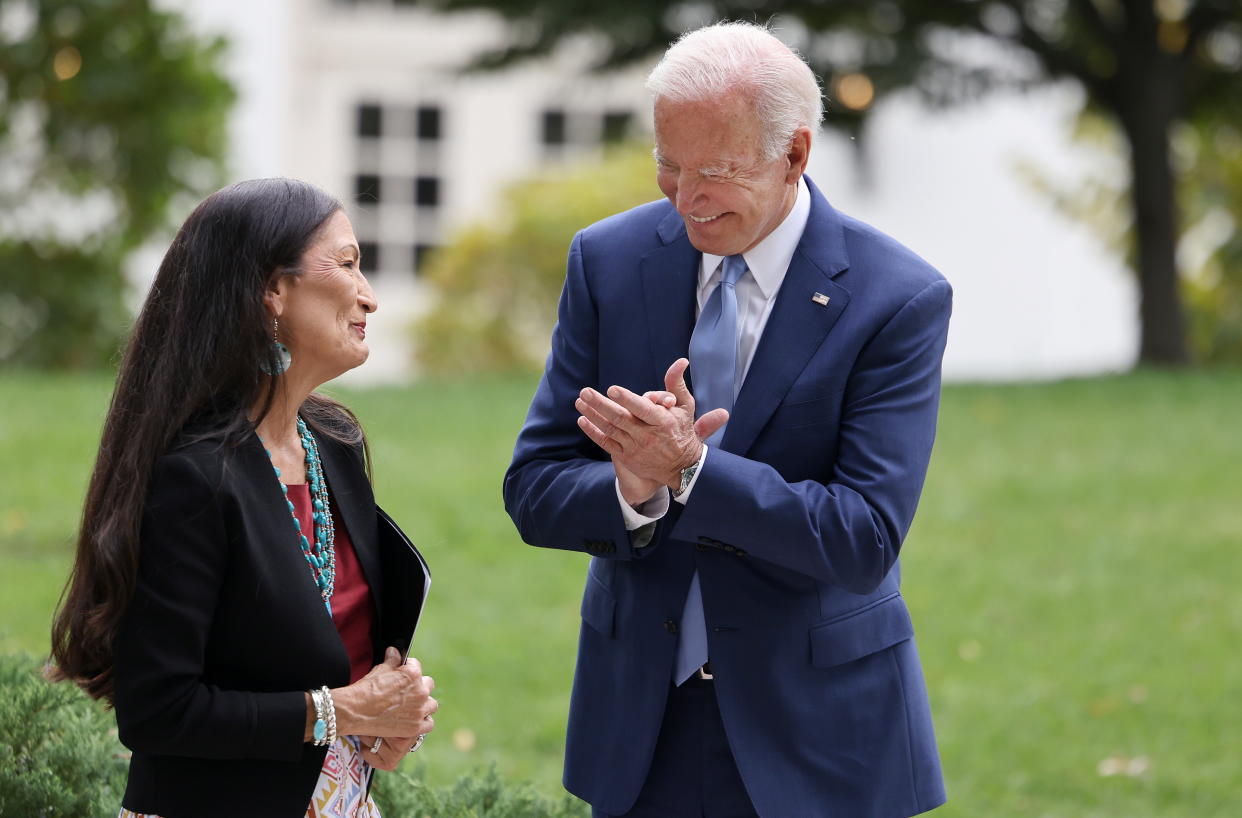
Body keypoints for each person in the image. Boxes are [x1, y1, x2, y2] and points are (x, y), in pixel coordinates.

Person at [504, 22, 950, 818]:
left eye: (714, 172)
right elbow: (534, 486)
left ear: (795, 155)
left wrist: (692, 471)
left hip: (820, 735)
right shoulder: (607, 262)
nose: (686, 200)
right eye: (668, 167)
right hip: (642, 723)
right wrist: (631, 488)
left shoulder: (897, 298)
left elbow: (863, 538)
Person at [49, 178, 437, 818]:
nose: (368, 295)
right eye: (346, 265)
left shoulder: (333, 444)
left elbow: (335, 653)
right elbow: (157, 712)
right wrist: (337, 712)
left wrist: (386, 718)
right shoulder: (194, 480)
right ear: (271, 292)